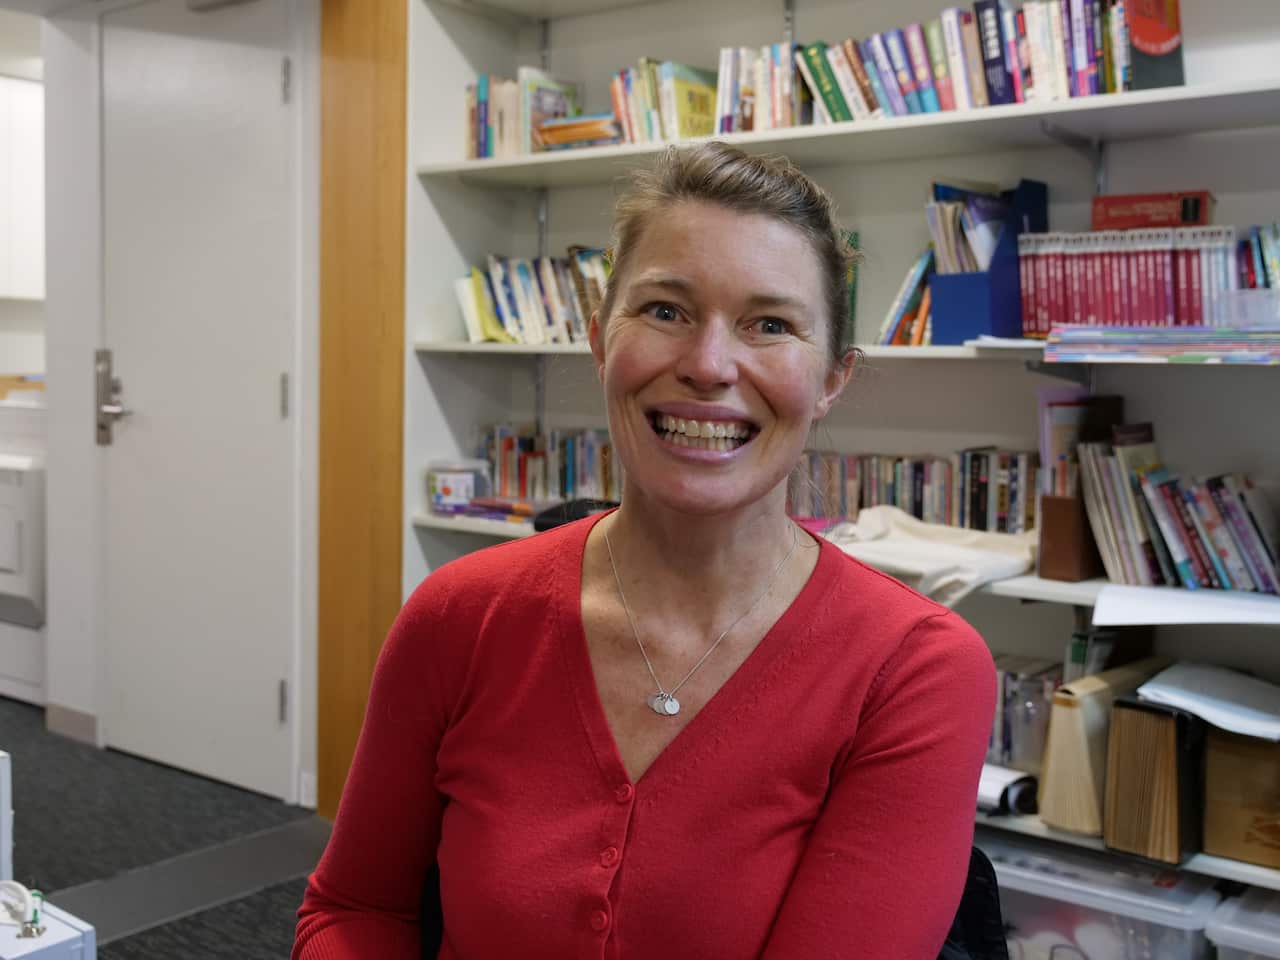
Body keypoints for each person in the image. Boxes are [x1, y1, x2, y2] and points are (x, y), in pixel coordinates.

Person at [294, 141, 995, 959]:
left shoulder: (914, 670)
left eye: (770, 325)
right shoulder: (461, 615)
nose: (707, 365)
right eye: (665, 310)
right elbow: (353, 910)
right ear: (600, 340)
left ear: (833, 378)